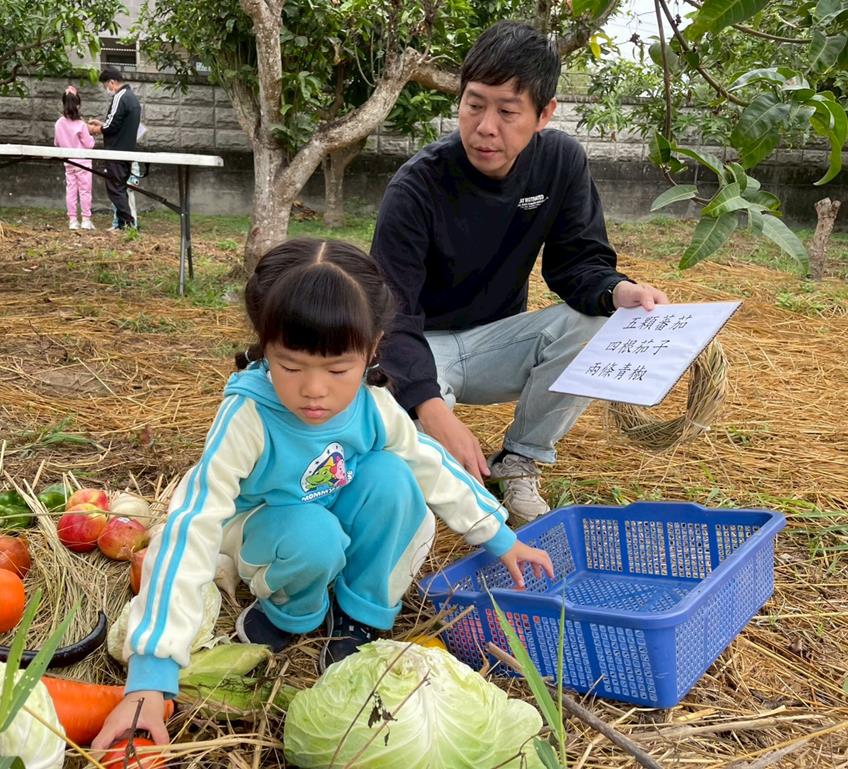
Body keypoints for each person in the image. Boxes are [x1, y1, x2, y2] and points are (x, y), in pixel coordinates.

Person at [91, 238, 554, 749]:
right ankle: (290, 612)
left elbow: (431, 464)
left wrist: (498, 536)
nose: (314, 390)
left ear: (372, 349)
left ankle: (359, 615)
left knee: (395, 477)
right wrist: (152, 671)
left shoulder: (372, 403)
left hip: (327, 511)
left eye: (337, 370)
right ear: (265, 346)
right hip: (267, 527)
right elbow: (193, 523)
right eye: (291, 366)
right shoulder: (248, 416)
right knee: (313, 535)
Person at [370, 21, 668, 525]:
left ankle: (520, 458)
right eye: (474, 105)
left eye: (507, 112)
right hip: (422, 347)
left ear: (543, 114)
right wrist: (432, 410)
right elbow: (389, 316)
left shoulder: (560, 163)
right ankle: (427, 440)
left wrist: (617, 290)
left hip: (498, 341)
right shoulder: (416, 187)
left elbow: (578, 261)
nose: (486, 127)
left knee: (597, 323)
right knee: (416, 475)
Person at [88, 67, 142, 231]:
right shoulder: (132, 98)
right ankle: (122, 224)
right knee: (120, 188)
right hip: (127, 151)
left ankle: (128, 223)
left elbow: (112, 125)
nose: (107, 89)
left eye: (106, 85)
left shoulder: (120, 97)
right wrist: (103, 124)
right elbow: (119, 124)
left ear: (112, 82)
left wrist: (96, 129)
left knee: (115, 189)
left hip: (116, 151)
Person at [53, 86, 95, 231]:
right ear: (78, 105)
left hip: (68, 162)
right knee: (85, 191)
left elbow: (57, 143)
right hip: (83, 162)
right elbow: (89, 144)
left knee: (71, 190)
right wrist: (91, 135)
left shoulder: (59, 123)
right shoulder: (81, 124)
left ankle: (72, 220)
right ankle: (86, 220)